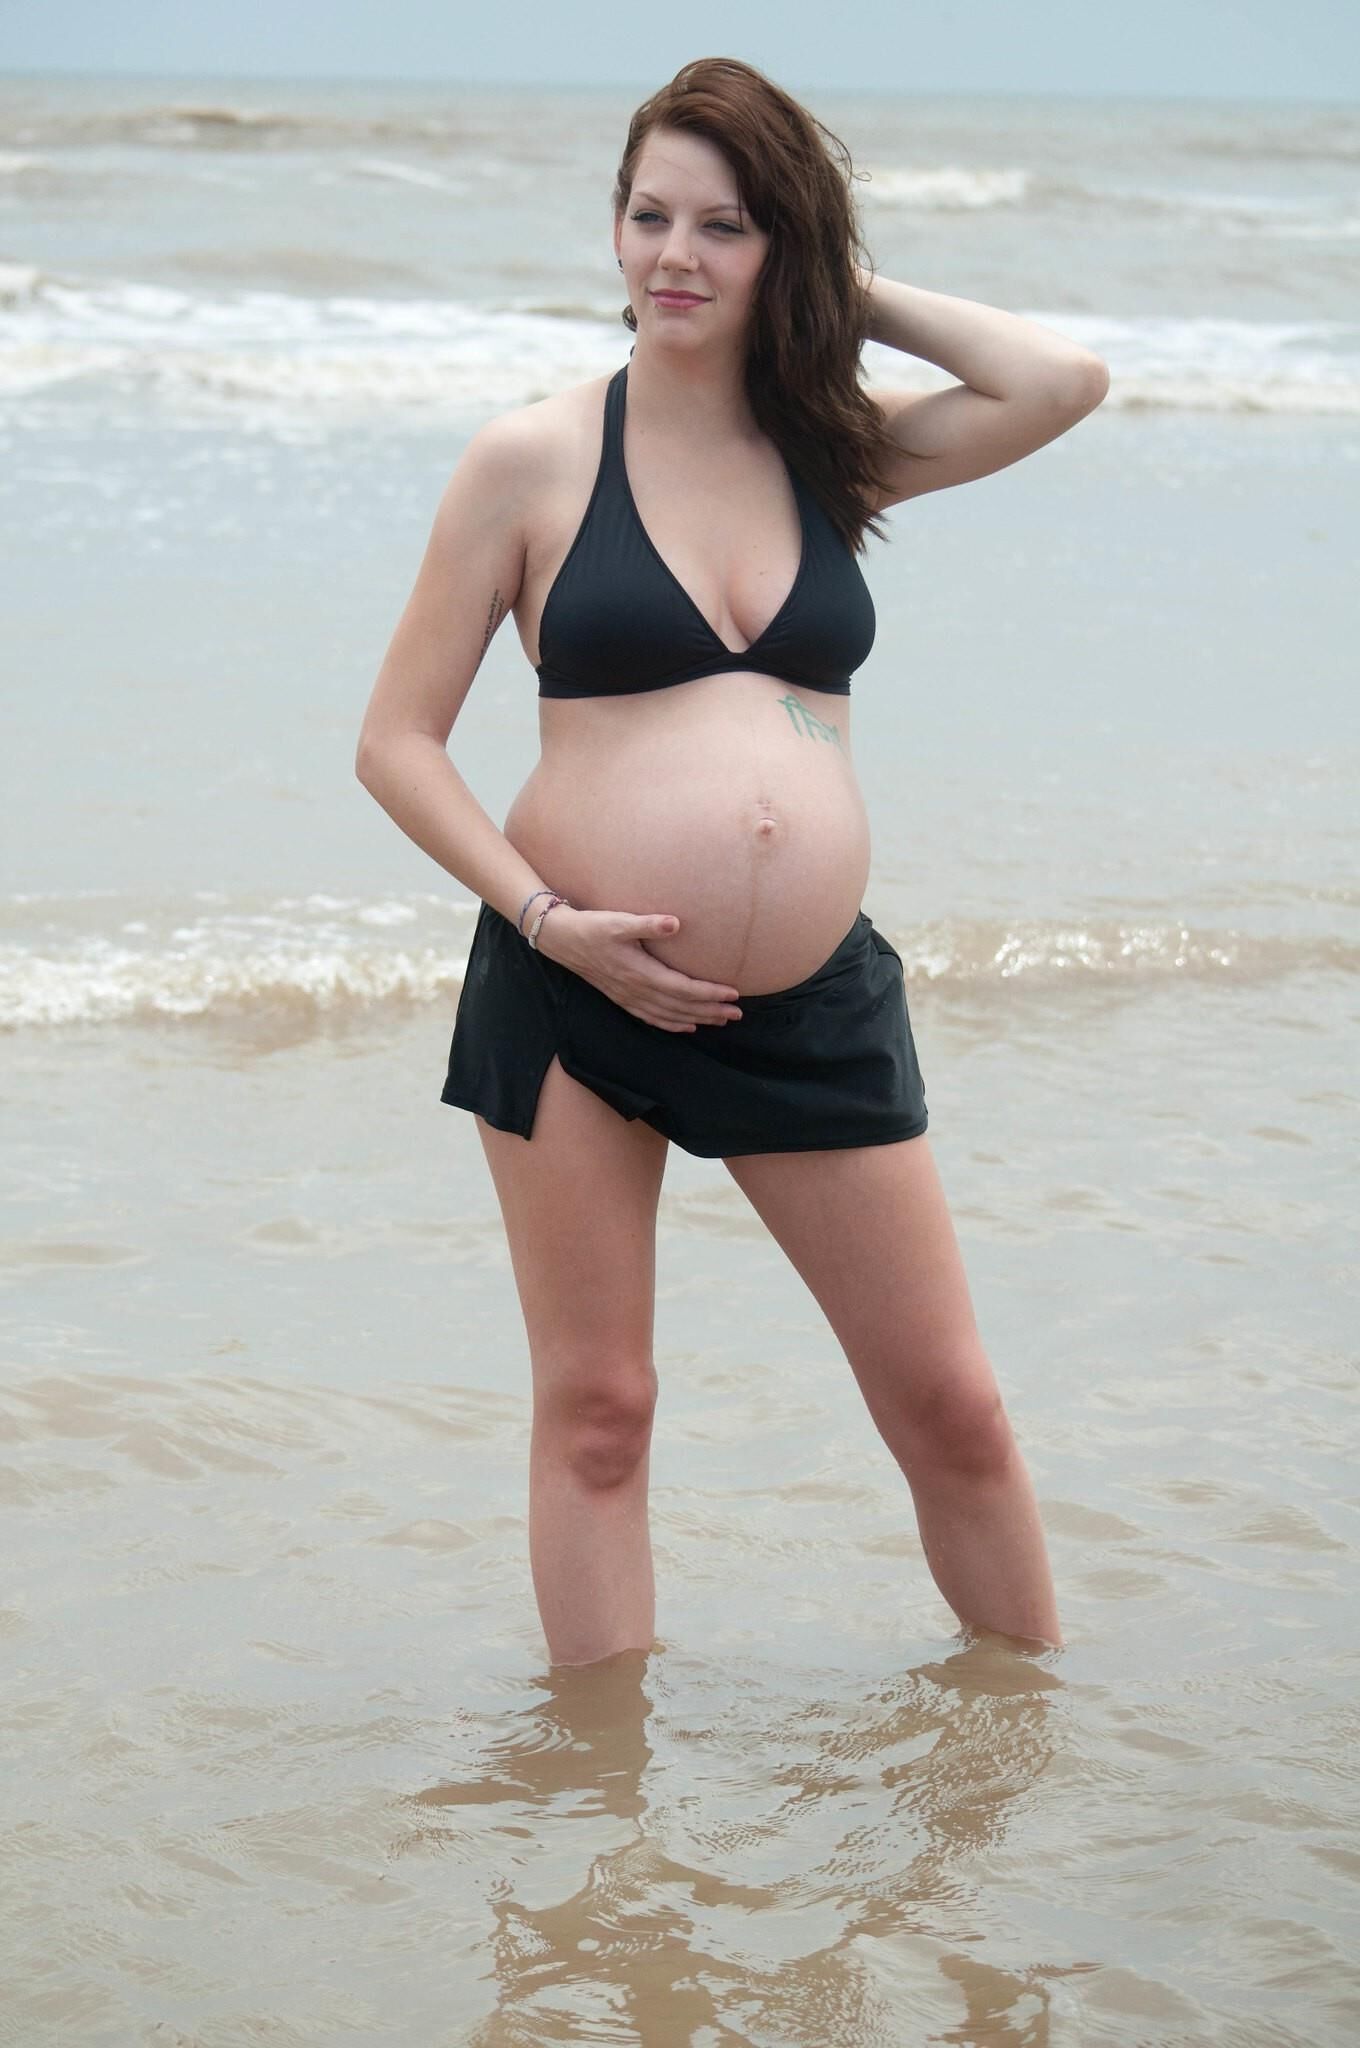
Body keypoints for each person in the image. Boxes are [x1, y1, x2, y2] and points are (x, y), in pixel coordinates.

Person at [356, 57, 1108, 1668]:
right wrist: (550, 923)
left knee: (954, 1409)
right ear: (610, 232)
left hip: (805, 1004)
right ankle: (602, 1813)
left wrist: (841, 282)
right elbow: (397, 742)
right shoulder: (533, 460)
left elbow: (1058, 380)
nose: (675, 255)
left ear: (790, 250)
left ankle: (1036, 1753)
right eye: (648, 217)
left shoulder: (834, 449)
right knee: (602, 1411)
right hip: (572, 987)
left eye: (726, 225)